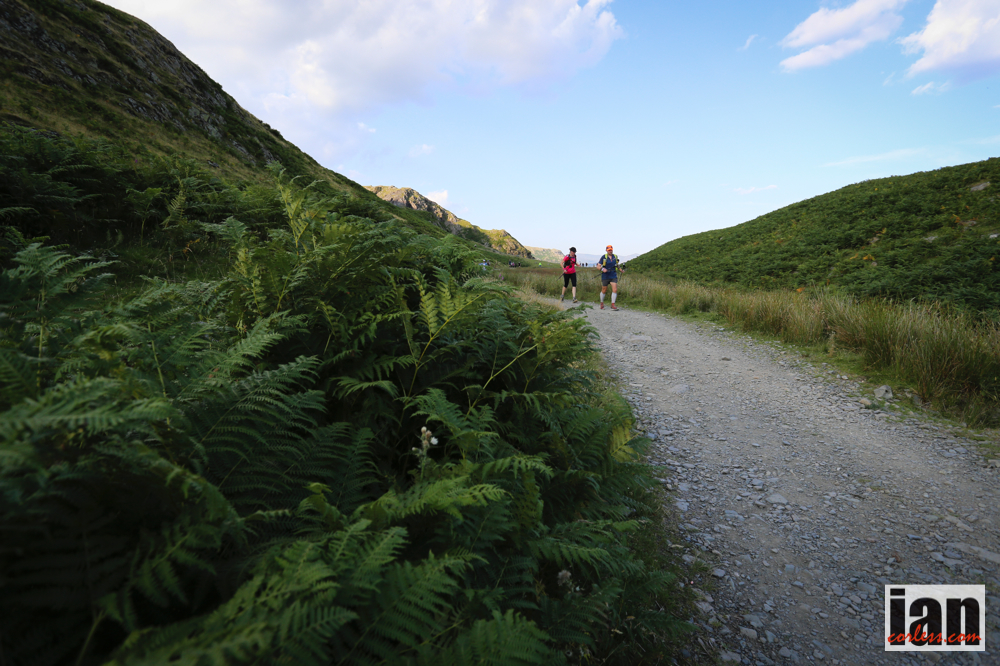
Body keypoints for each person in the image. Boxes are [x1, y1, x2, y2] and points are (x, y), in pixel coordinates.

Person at [597, 244, 623, 310]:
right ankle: (601, 303)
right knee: (604, 290)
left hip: (613, 275)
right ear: (606, 250)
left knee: (615, 289)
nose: (610, 251)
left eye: (611, 250)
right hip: (605, 275)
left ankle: (613, 304)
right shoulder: (604, 257)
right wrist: (602, 269)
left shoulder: (615, 256)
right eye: (609, 250)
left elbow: (617, 264)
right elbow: (598, 266)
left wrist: (620, 269)